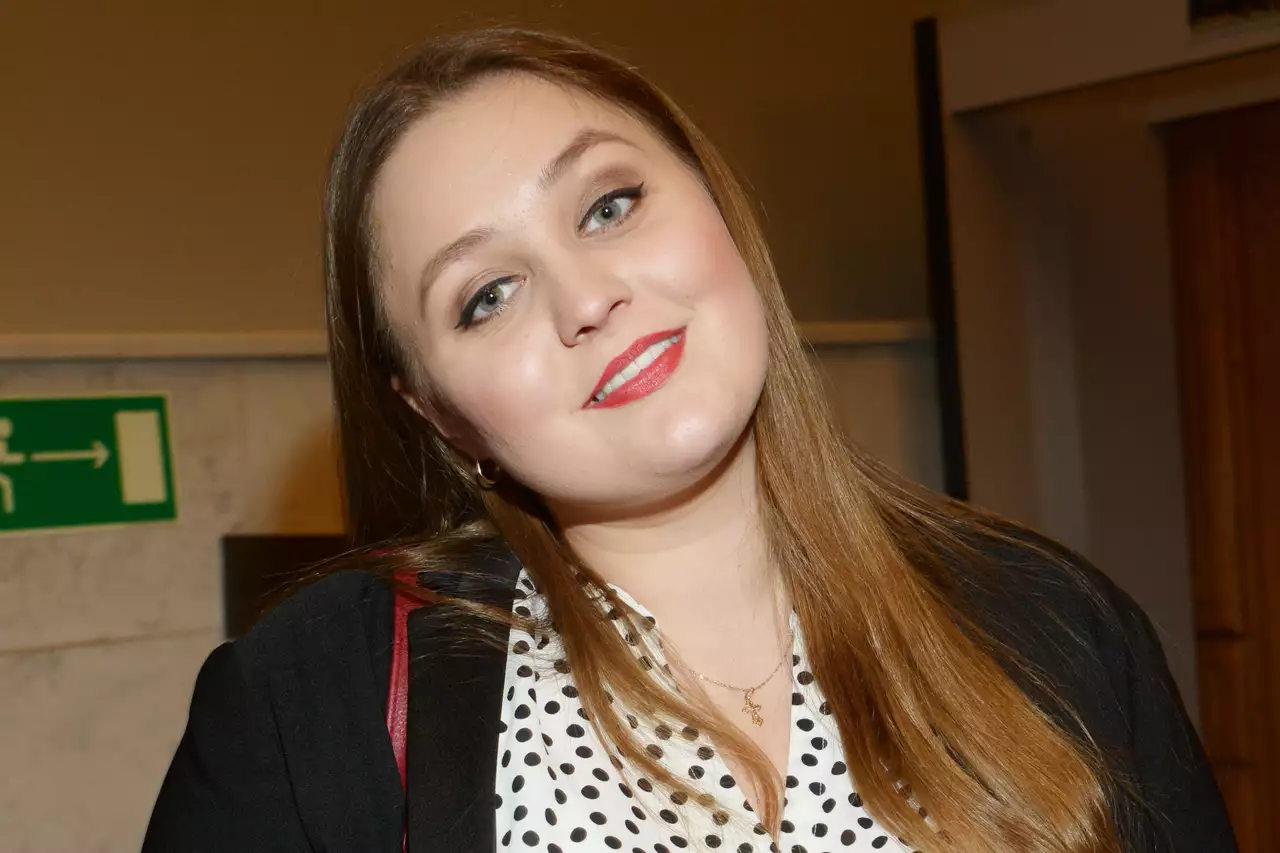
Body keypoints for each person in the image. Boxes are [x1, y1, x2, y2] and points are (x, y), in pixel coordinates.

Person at [143, 27, 1235, 853]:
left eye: (607, 206)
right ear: (438, 413)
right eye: (486, 296)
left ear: (718, 206)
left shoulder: (1054, 622)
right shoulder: (305, 707)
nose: (588, 298)